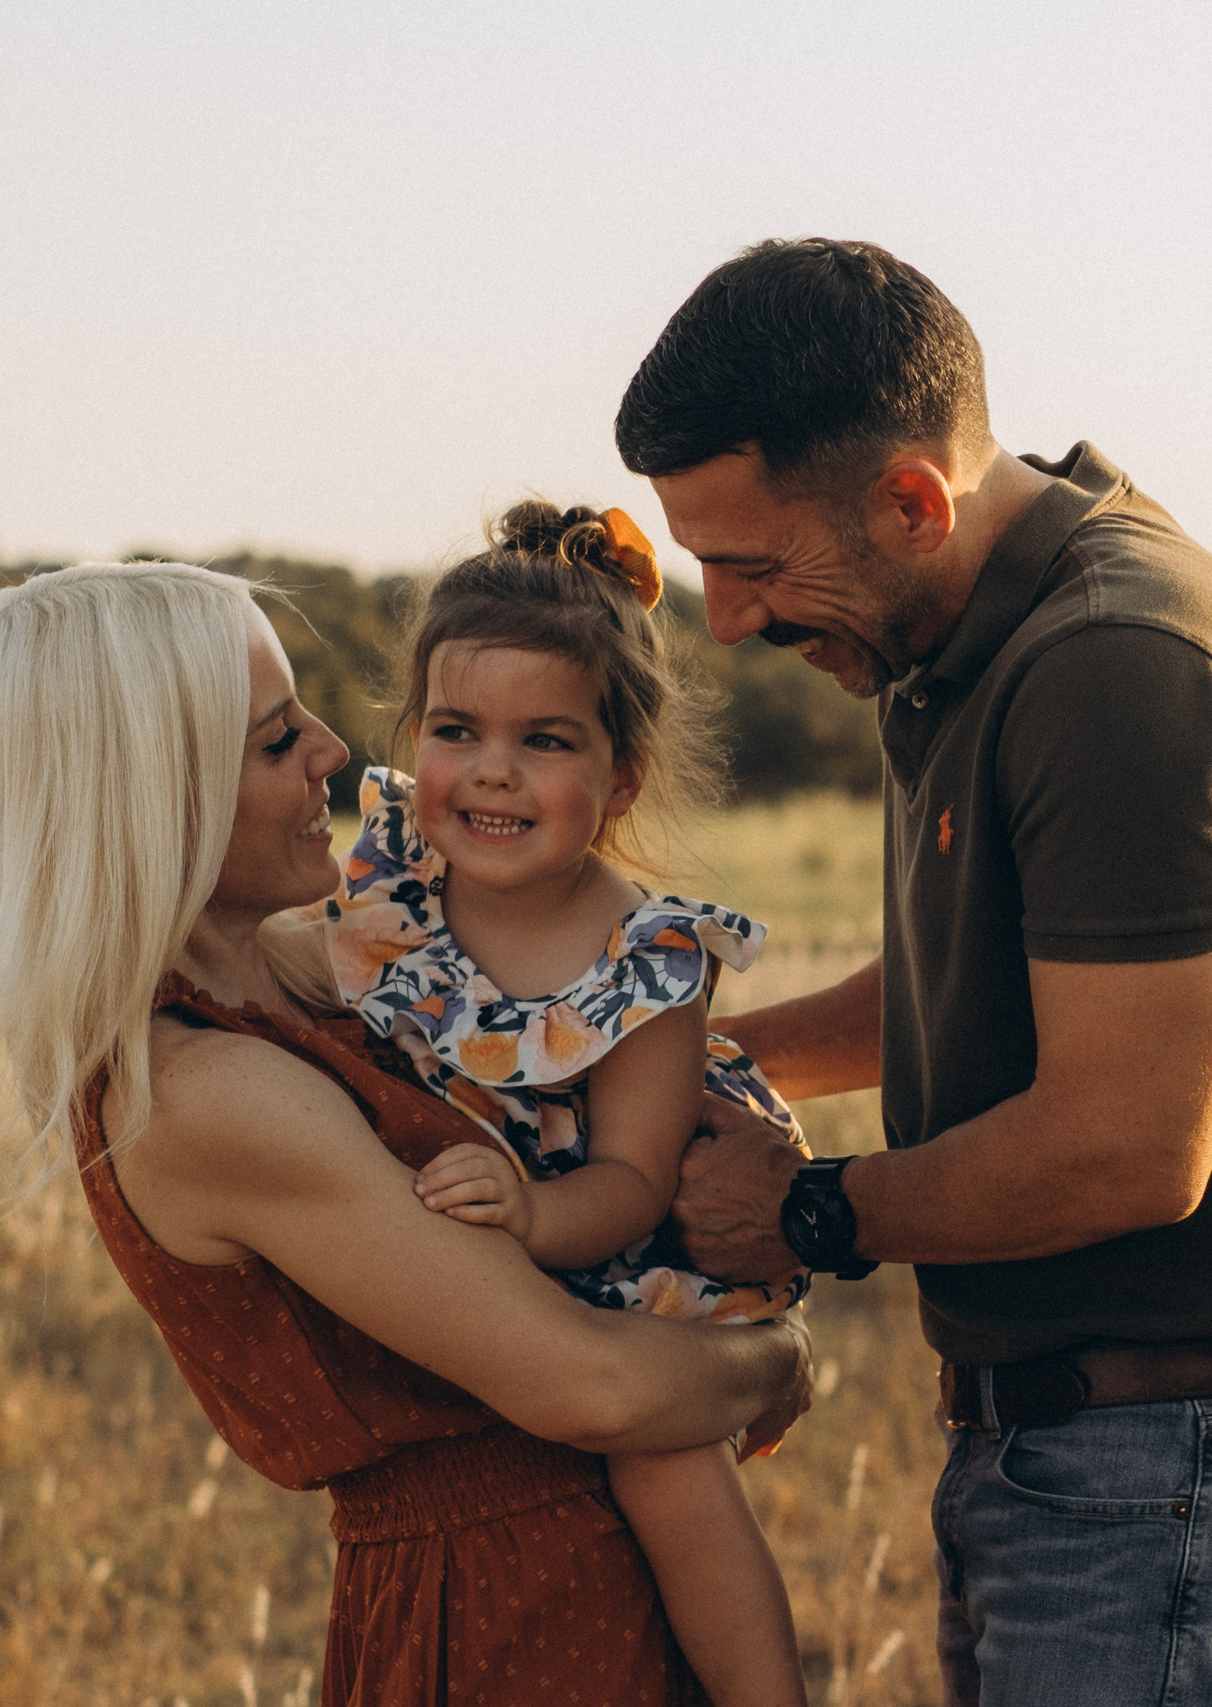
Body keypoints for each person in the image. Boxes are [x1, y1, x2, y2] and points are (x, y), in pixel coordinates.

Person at [619, 239, 1212, 1706]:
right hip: (1087, 1453)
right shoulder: (972, 630)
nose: (725, 618)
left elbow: (1127, 1143)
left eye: (753, 563)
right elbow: (970, 991)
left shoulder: (1114, 664)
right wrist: (691, 1068)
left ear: (914, 498)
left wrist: (808, 1205)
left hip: (1163, 1462)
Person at [0, 559, 809, 1706]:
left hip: (595, 1566)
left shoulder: (329, 975)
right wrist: (779, 1363)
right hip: (504, 1621)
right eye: (278, 741)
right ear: (151, 800)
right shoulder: (205, 1088)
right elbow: (594, 1391)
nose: (334, 750)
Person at [303, 500, 808, 1707]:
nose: (491, 771)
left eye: (546, 741)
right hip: (466, 1258)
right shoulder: (388, 895)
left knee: (664, 1471)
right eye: (456, 729)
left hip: (612, 1253)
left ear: (619, 774)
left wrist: (531, 1217)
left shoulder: (648, 962)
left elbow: (635, 1182)